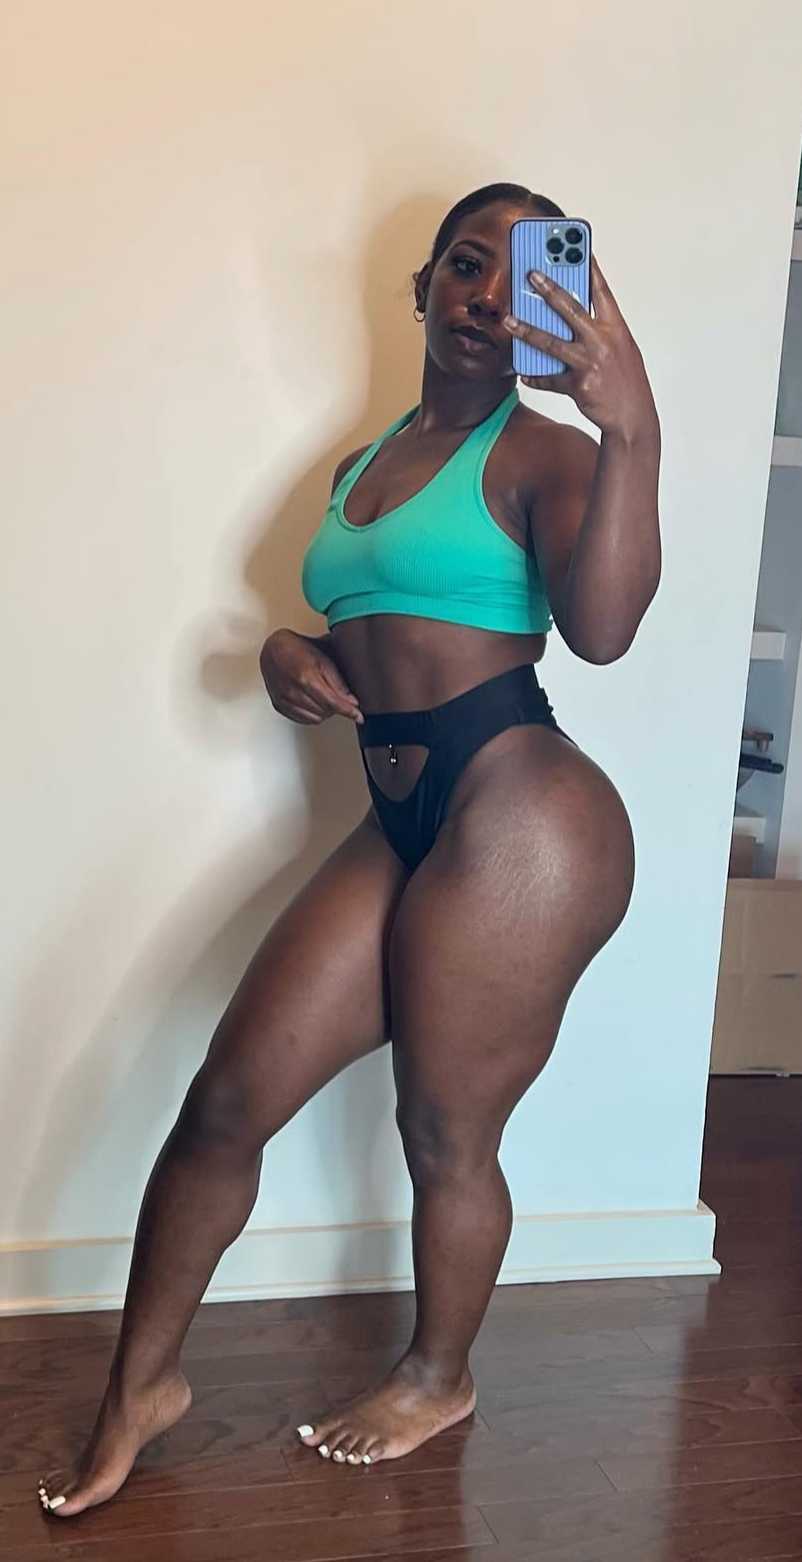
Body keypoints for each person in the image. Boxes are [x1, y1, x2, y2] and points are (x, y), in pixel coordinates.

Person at [39, 181, 660, 1516]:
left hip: (523, 810)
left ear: (556, 304)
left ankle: (439, 1375)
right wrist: (286, 650)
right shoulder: (356, 465)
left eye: (522, 276)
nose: (487, 297)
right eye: (465, 266)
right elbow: (370, 618)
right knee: (225, 1101)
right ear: (423, 287)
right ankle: (140, 1389)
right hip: (400, 815)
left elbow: (603, 633)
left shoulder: (548, 453)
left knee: (443, 1128)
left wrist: (634, 429)